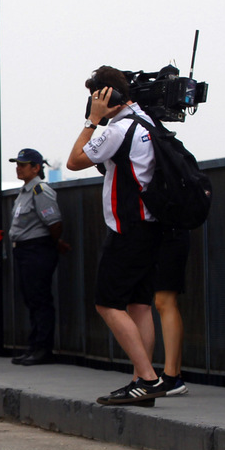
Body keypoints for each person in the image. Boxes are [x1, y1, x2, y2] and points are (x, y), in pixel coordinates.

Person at [66, 67, 166, 405]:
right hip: (152, 225)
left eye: (95, 96)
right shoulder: (147, 122)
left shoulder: (117, 130)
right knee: (139, 305)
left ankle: (148, 378)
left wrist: (93, 120)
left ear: (104, 96)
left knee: (107, 303)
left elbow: (74, 161)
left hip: (127, 227)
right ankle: (141, 379)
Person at [8, 148, 68, 366]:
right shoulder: (25, 192)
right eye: (18, 164)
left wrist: (51, 243)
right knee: (31, 298)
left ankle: (43, 349)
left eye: (23, 165)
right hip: (25, 250)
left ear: (36, 168)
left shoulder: (39, 190)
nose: (18, 168)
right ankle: (34, 346)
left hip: (37, 250)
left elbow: (54, 223)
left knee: (40, 299)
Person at [154, 228, 191, 397]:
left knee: (165, 301)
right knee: (164, 302)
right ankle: (174, 373)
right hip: (168, 234)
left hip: (170, 234)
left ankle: (172, 376)